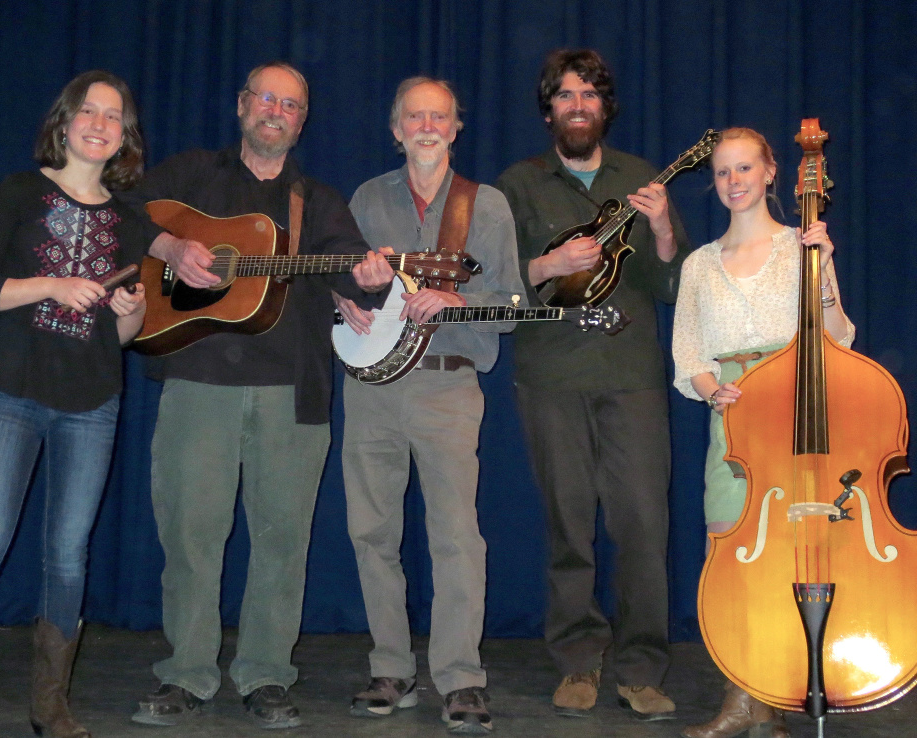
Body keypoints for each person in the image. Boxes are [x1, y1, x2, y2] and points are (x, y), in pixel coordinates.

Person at [125, 62, 390, 731]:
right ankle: (186, 673)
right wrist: (171, 244)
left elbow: (358, 277)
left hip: (290, 391)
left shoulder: (318, 200)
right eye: (266, 98)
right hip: (196, 381)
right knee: (191, 535)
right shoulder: (191, 173)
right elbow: (118, 212)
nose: (276, 110)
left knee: (281, 539)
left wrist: (370, 277)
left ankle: (266, 674)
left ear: (302, 120)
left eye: (291, 104)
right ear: (243, 105)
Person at [0, 70, 149, 738]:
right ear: (65, 120)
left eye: (114, 116)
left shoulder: (130, 222)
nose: (100, 123)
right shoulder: (20, 191)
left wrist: (130, 314)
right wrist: (51, 282)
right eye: (88, 111)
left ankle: (50, 704)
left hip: (93, 401)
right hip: (12, 393)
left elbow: (123, 336)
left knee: (68, 555)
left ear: (124, 136)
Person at [494, 48, 689, 721]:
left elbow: (671, 285)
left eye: (589, 95)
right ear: (548, 109)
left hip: (630, 377)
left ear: (606, 107)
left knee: (642, 525)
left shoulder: (641, 178)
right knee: (568, 526)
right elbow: (492, 284)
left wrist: (663, 225)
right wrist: (548, 262)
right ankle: (578, 661)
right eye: (565, 96)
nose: (578, 106)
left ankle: (641, 668)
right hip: (548, 377)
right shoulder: (517, 185)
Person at [332, 77, 524, 735]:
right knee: (372, 531)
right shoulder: (365, 199)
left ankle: (462, 678)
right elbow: (340, 282)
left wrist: (459, 302)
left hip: (447, 385)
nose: (426, 125)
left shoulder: (487, 205)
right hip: (372, 390)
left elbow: (515, 306)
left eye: (439, 115)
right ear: (395, 128)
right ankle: (391, 666)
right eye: (414, 116)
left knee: (455, 538)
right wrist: (346, 300)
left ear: (456, 127)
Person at [672, 127, 853, 738]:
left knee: (786, 559)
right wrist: (709, 388)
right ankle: (740, 697)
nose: (734, 181)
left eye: (745, 168)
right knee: (728, 554)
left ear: (772, 172)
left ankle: (773, 695)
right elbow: (688, 355)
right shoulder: (698, 264)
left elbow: (837, 337)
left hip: (796, 416)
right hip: (734, 419)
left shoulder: (802, 247)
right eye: (723, 172)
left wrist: (823, 265)